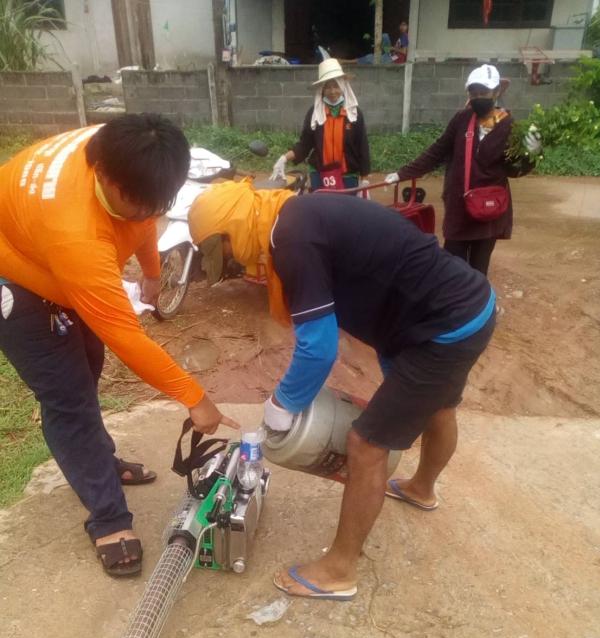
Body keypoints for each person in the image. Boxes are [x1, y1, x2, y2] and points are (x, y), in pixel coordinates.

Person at [188, 180, 496, 600]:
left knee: (366, 446)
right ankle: (421, 489)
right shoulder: (296, 216)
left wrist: (283, 403)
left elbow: (318, 349)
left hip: (441, 331)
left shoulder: (290, 239)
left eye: (219, 248)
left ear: (232, 226)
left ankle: (338, 570)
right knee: (439, 406)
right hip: (463, 309)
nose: (229, 260)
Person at [0, 114, 238, 577]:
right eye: (139, 204)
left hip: (51, 251)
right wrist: (194, 397)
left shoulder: (130, 148)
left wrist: (151, 271)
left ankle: (99, 462)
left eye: (159, 202)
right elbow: (125, 334)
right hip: (16, 273)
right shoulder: (76, 235)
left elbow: (145, 216)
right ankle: (108, 517)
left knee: (88, 365)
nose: (150, 212)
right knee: (67, 397)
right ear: (105, 177)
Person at [385, 64, 542, 275]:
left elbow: (513, 170)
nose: (478, 97)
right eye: (473, 93)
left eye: (483, 92)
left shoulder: (509, 126)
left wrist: (531, 155)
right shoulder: (462, 120)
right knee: (452, 268)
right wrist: (402, 174)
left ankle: (479, 296)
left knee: (479, 270)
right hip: (459, 207)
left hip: (488, 210)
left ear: (496, 92)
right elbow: (437, 151)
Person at [270, 58, 370, 191]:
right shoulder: (315, 113)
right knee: (320, 204)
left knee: (345, 205)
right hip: (320, 174)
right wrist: (284, 158)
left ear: (343, 86)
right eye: (327, 87)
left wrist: (364, 179)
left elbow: (362, 146)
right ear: (322, 89)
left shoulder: (354, 114)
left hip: (347, 175)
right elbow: (305, 144)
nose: (332, 91)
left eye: (336, 86)